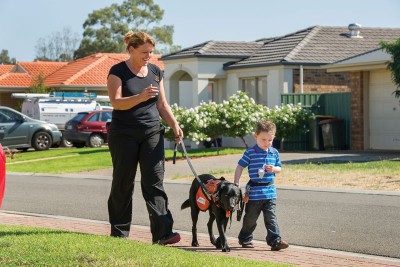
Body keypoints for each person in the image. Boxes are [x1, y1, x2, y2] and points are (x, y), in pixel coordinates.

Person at [107, 31, 183, 245]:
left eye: (151, 52)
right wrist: (140, 97)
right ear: (131, 49)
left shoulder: (155, 72)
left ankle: (163, 234)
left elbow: (162, 105)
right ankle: (119, 233)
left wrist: (174, 124)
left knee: (154, 182)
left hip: (151, 132)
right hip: (124, 134)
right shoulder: (118, 71)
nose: (149, 56)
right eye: (144, 52)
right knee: (123, 182)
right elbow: (116, 102)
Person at [234, 119, 289, 251]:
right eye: (263, 139)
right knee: (250, 219)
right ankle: (245, 238)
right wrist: (236, 182)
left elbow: (280, 168)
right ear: (255, 136)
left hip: (270, 192)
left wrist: (274, 169)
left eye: (270, 140)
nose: (267, 143)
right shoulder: (250, 152)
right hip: (254, 193)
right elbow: (240, 167)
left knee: (271, 218)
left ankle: (275, 241)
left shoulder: (274, 152)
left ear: (273, 138)